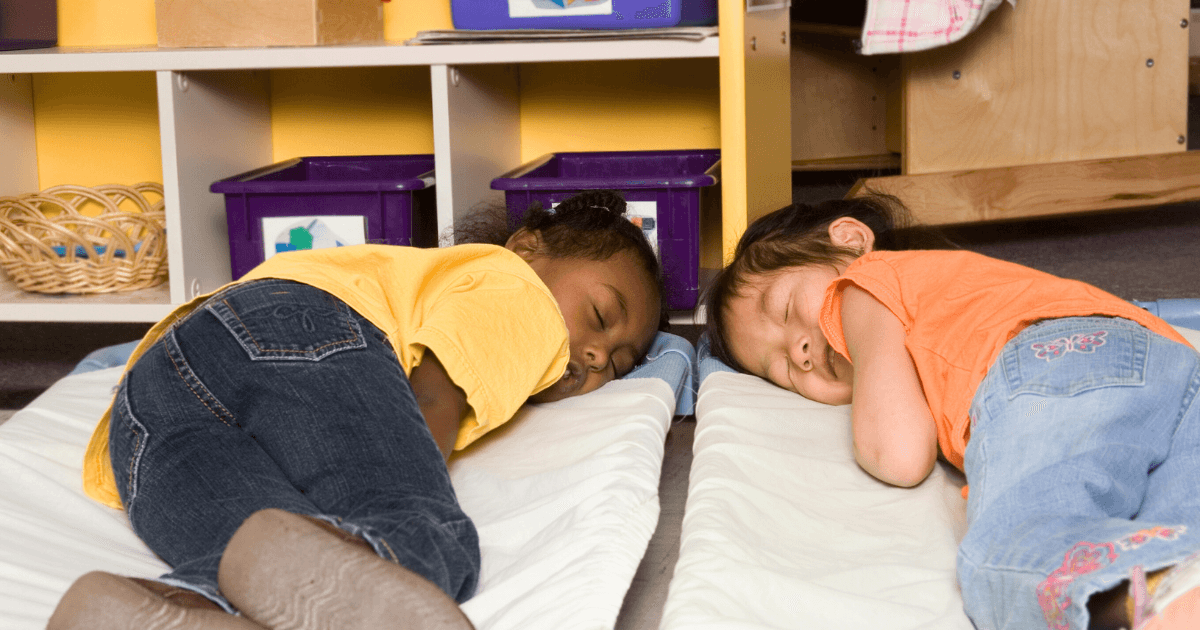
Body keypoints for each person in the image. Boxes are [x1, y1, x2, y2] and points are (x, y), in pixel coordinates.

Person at [49, 189, 665, 630]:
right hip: (303, 329)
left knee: (268, 557)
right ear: (528, 247)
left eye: (620, 361)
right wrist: (402, 467)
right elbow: (441, 383)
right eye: (603, 317)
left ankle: (163, 610)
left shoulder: (473, 282)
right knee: (428, 538)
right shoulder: (515, 288)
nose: (595, 352)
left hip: (148, 407)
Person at [705, 194, 1200, 630]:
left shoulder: (862, 285)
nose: (802, 352)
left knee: (1016, 556)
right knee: (1180, 532)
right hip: (1173, 361)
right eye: (783, 371)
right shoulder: (952, 292)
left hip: (1056, 364)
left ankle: (1156, 595)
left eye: (787, 309)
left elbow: (898, 453)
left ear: (851, 241)